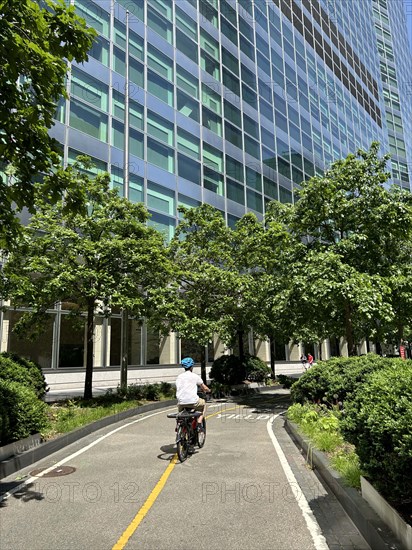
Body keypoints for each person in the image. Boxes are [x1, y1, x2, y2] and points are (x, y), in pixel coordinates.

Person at [176, 357, 210, 431]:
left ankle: (179, 425)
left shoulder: (179, 377)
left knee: (181, 414)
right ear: (192, 367)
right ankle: (199, 424)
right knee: (203, 405)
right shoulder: (195, 376)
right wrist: (209, 390)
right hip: (193, 401)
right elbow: (204, 388)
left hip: (181, 402)